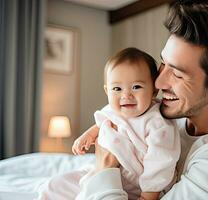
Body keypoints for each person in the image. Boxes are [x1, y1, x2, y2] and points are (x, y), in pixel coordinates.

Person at [76, 1, 208, 200]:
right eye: (163, 63)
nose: (159, 82)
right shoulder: (166, 114)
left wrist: (105, 169)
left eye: (178, 74)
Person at [38, 48, 180, 200]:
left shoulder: (157, 123)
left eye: (136, 87)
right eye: (117, 89)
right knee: (54, 185)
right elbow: (103, 122)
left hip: (137, 186)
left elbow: (161, 162)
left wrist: (148, 195)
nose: (126, 95)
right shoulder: (115, 110)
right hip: (105, 173)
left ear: (153, 91)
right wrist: (88, 135)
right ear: (107, 91)